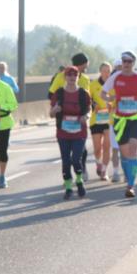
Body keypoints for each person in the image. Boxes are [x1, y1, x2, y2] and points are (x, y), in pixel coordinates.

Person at [101, 51, 137, 198]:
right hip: (120, 119)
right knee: (124, 154)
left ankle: (131, 185)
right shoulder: (115, 77)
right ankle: (128, 179)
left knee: (132, 150)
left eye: (129, 61)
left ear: (133, 63)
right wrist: (110, 98)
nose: (126, 64)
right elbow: (102, 93)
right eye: (124, 61)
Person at [50, 66, 91, 199]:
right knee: (66, 161)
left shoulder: (83, 94)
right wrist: (55, 110)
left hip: (79, 131)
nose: (72, 78)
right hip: (63, 132)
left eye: (75, 75)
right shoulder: (59, 93)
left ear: (78, 77)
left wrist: (87, 116)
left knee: (76, 159)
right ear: (65, 77)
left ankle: (79, 180)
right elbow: (51, 114)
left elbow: (89, 110)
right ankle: (68, 187)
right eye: (69, 75)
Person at [88, 62, 114, 181]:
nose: (106, 73)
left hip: (109, 119)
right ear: (100, 71)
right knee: (98, 148)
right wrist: (94, 105)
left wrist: (112, 105)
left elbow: (118, 99)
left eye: (108, 71)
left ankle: (104, 170)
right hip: (96, 119)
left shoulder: (113, 85)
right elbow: (88, 100)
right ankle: (98, 162)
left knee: (107, 145)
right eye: (104, 70)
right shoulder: (93, 85)